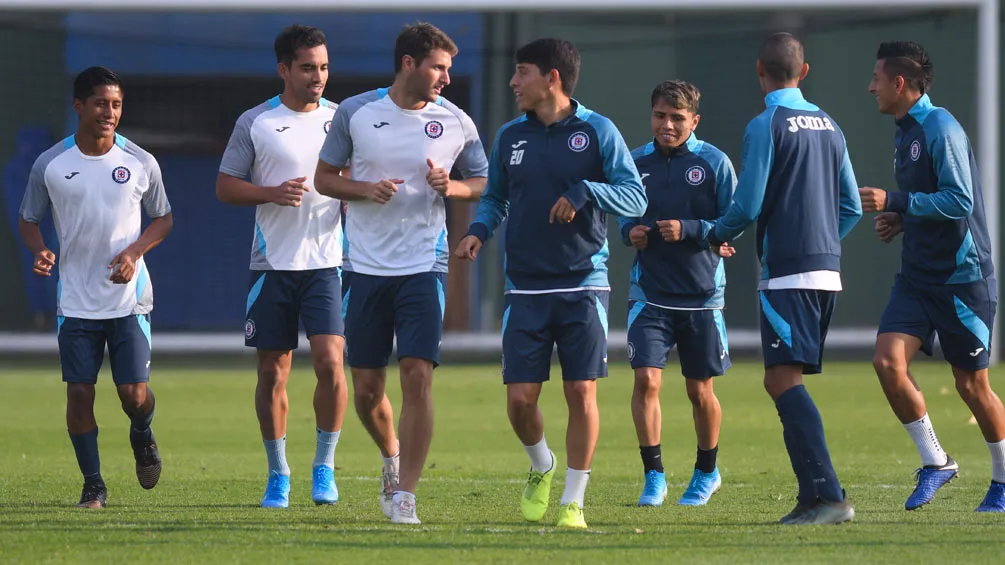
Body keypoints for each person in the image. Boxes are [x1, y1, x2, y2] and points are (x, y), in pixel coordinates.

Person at [671, 33, 863, 524]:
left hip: (788, 271)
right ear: (804, 71)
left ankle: (828, 497)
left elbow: (748, 203)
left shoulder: (767, 124)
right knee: (785, 379)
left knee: (781, 380)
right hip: (826, 270)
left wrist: (715, 234)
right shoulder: (831, 125)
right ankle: (812, 498)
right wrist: (824, 242)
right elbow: (852, 206)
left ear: (760, 71)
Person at [455, 38, 647, 529]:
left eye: (522, 72)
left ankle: (573, 501)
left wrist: (585, 191)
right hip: (525, 287)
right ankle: (542, 465)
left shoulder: (598, 130)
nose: (515, 82)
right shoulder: (510, 136)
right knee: (520, 400)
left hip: (584, 282)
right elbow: (495, 197)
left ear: (552, 78)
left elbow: (634, 197)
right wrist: (478, 231)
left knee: (581, 392)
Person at [314, 22, 488, 524]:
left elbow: (482, 180)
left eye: (450, 69)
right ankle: (391, 457)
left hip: (423, 266)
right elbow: (325, 178)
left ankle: (406, 494)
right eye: (438, 67)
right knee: (367, 388)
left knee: (417, 376)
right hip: (364, 268)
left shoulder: (456, 121)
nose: (446, 79)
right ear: (409, 64)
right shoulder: (356, 113)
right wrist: (364, 189)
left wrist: (450, 188)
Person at [18, 66, 173, 508]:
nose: (110, 112)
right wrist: (40, 250)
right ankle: (93, 484)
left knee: (133, 395)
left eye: (117, 104)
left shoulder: (140, 161)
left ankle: (142, 432)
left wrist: (134, 252)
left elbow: (164, 217)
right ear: (79, 106)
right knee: (79, 392)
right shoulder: (50, 164)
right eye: (102, 103)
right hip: (76, 302)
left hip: (129, 302)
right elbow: (28, 219)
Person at [860, 40, 1005, 512]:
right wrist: (903, 220)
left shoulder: (940, 127)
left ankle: (1003, 480)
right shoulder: (905, 129)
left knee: (971, 386)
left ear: (899, 84)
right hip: (917, 277)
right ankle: (937, 461)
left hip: (962, 280)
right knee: (886, 362)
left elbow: (960, 201)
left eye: (877, 79)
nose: (871, 87)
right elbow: (933, 199)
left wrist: (897, 204)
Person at [216, 24, 347, 509]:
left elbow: (354, 179)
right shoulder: (256, 122)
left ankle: (325, 467)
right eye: (308, 67)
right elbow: (226, 186)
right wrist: (271, 193)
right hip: (272, 266)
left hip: (328, 263)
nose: (318, 76)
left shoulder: (344, 119)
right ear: (284, 69)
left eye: (325, 67)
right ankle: (278, 474)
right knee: (273, 373)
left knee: (333, 363)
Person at [618, 79, 736, 507]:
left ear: (694, 121)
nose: (666, 125)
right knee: (646, 381)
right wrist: (628, 232)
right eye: (660, 116)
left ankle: (707, 471)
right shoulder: (634, 162)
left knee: (698, 390)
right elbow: (622, 216)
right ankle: (654, 477)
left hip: (702, 296)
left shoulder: (715, 163)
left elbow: (734, 220)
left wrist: (692, 230)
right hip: (648, 294)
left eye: (677, 118)